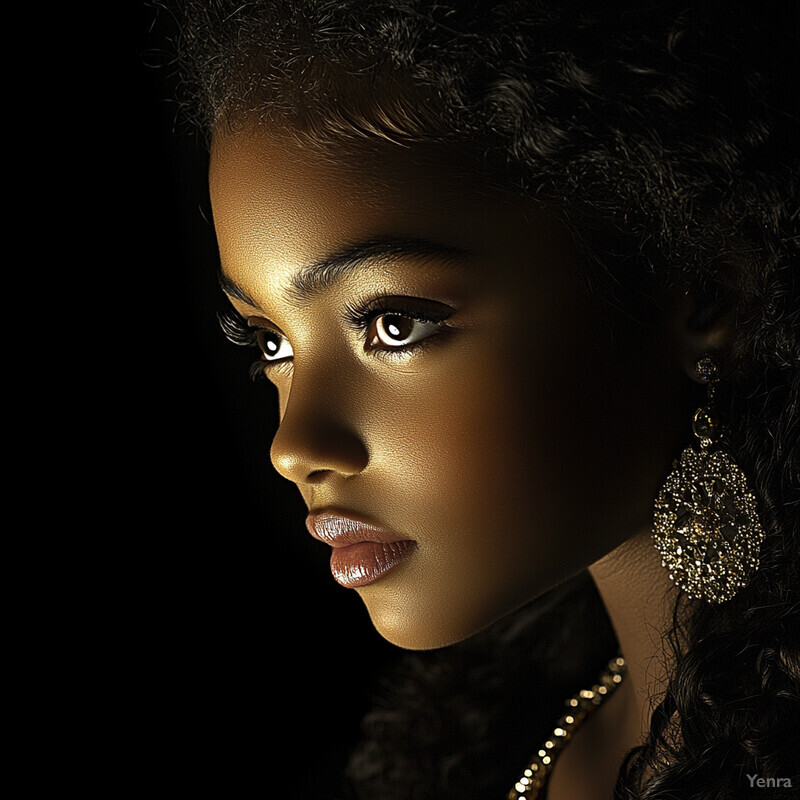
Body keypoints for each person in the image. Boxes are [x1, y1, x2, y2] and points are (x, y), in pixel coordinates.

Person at [165, 1, 799, 797]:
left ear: (706, 290)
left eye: (394, 324)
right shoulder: (473, 750)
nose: (294, 446)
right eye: (272, 344)